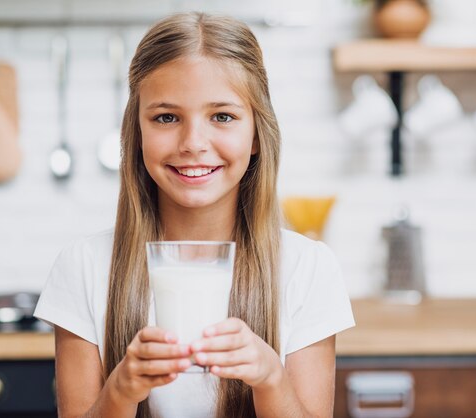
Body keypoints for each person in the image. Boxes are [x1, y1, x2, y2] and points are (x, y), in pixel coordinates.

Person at [34, 11, 355, 418]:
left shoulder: (308, 269)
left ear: (256, 134)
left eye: (222, 116)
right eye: (166, 118)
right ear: (137, 133)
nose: (193, 143)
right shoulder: (83, 267)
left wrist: (271, 379)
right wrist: (120, 390)